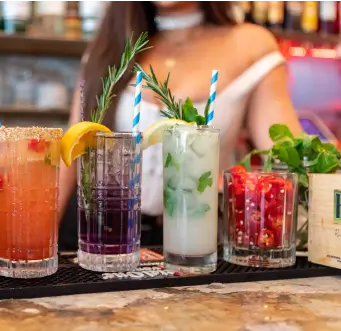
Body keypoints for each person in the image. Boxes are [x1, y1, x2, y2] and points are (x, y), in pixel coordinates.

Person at [58, 0, 303, 251]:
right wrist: (36, 238)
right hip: (94, 232)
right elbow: (74, 145)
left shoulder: (251, 44)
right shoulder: (109, 46)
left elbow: (288, 154)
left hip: (189, 240)